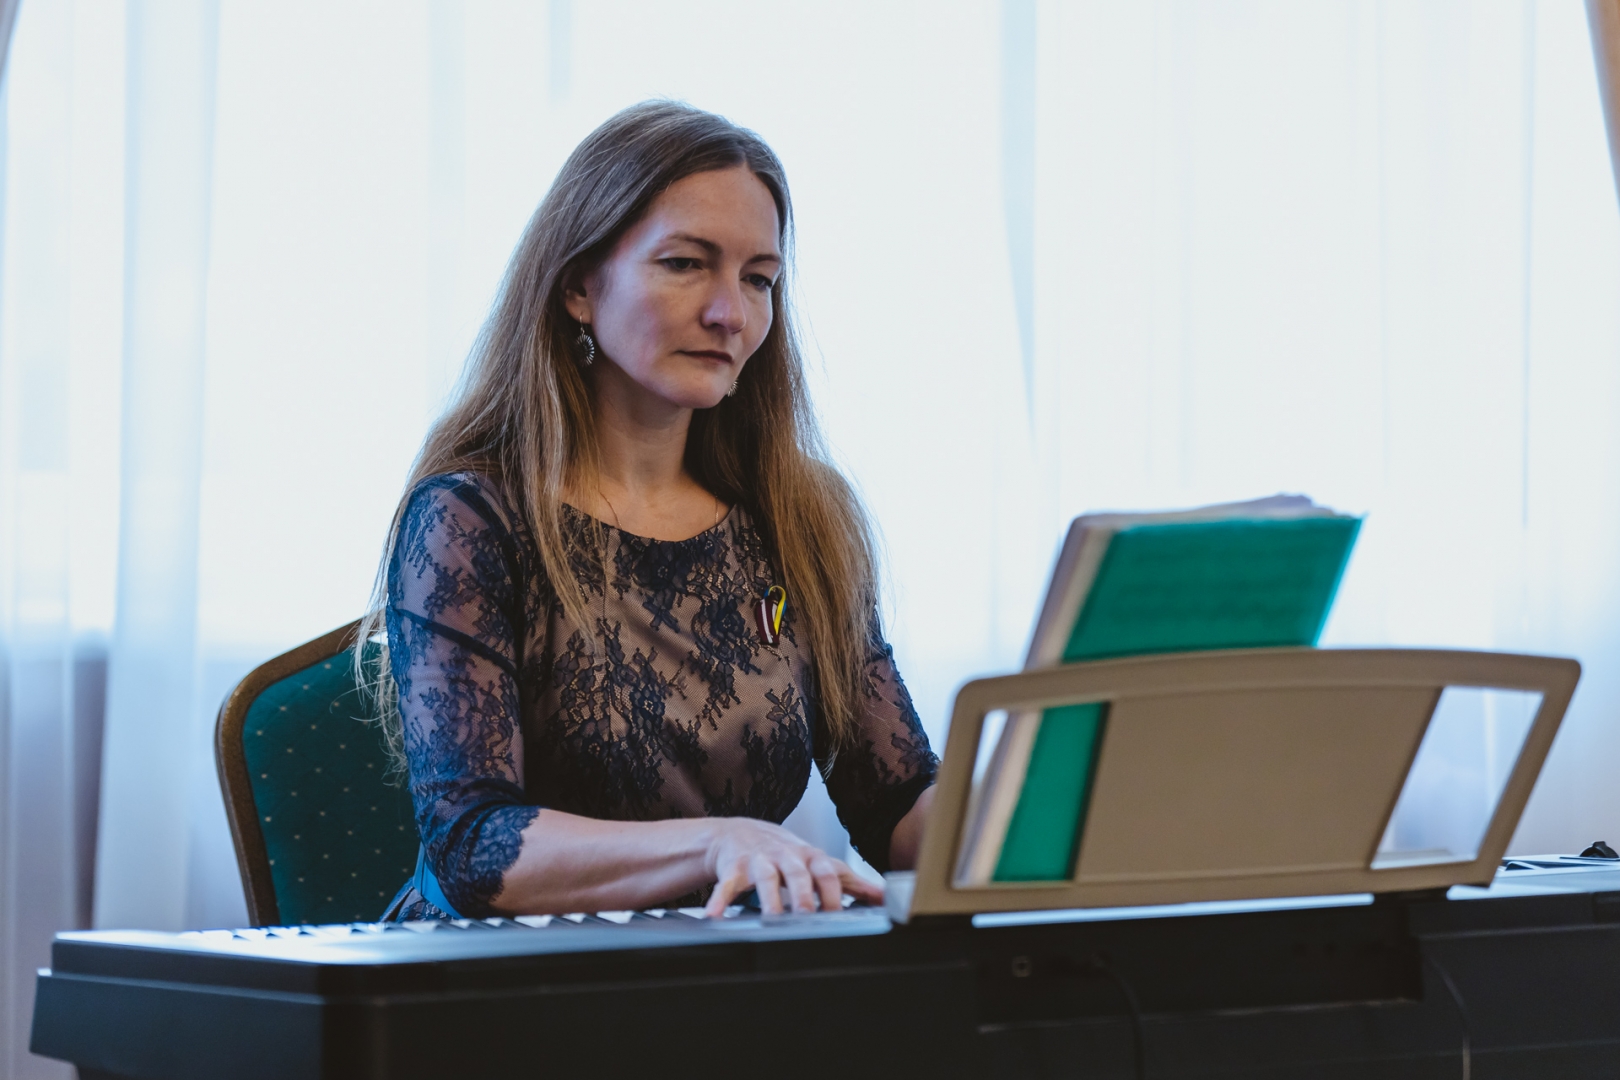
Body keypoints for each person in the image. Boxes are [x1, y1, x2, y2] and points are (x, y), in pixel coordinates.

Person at [364, 101, 938, 921]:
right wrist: (714, 843)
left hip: (717, 966)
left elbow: (898, 804)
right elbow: (473, 850)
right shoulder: (469, 517)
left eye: (758, 279)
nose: (730, 313)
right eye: (685, 264)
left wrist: (1055, 815)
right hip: (502, 976)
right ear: (578, 286)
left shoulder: (803, 518)